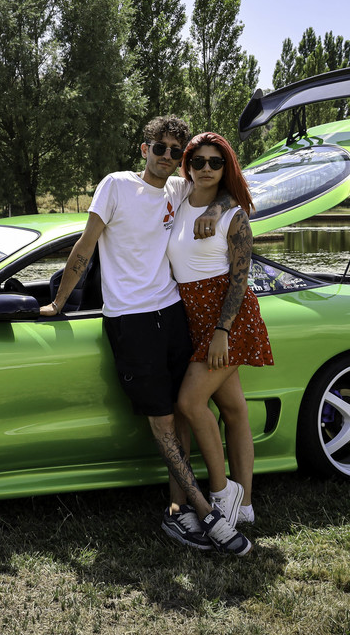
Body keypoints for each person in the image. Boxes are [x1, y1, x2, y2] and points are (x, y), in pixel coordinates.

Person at [40, 115, 252, 557]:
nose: (168, 157)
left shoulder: (179, 188)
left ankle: (180, 507)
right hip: (131, 320)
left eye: (177, 151)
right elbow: (85, 246)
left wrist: (216, 209)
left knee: (182, 413)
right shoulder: (116, 186)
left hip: (173, 313)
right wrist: (58, 303)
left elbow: (227, 188)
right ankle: (206, 510)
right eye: (161, 148)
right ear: (144, 149)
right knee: (162, 422)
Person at [168, 132, 274, 533]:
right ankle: (245, 505)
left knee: (190, 402)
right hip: (193, 319)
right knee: (233, 409)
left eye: (216, 162)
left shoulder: (234, 216)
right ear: (188, 166)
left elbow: (240, 281)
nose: (207, 168)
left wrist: (221, 331)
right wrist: (212, 205)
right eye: (199, 161)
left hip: (228, 320)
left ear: (226, 167)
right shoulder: (180, 200)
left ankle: (222, 491)